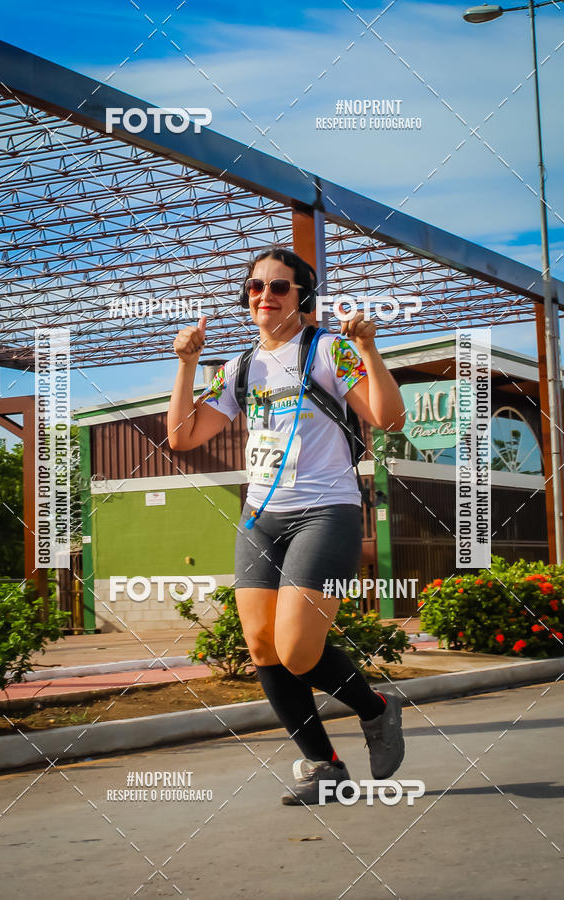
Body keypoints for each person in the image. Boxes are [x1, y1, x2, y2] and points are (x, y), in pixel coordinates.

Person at [168, 246, 407, 805]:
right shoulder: (240, 367)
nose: (265, 297)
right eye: (255, 288)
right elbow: (181, 437)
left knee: (298, 651)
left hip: (327, 511)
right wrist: (184, 363)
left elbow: (389, 419)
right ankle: (323, 765)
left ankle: (376, 709)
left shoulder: (330, 350)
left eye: (279, 287)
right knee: (261, 644)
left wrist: (368, 350)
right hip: (260, 517)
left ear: (302, 296)